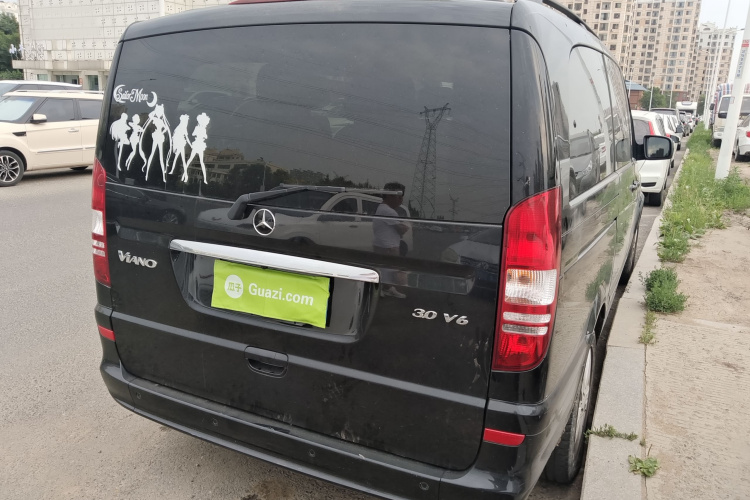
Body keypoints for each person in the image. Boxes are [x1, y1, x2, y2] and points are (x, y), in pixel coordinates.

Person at [373, 182, 409, 298]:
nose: (401, 200)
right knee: (390, 270)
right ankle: (386, 289)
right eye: (399, 197)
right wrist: (406, 226)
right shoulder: (388, 211)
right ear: (389, 195)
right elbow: (401, 229)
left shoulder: (382, 208)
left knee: (385, 270)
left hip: (383, 245)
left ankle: (386, 288)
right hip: (388, 247)